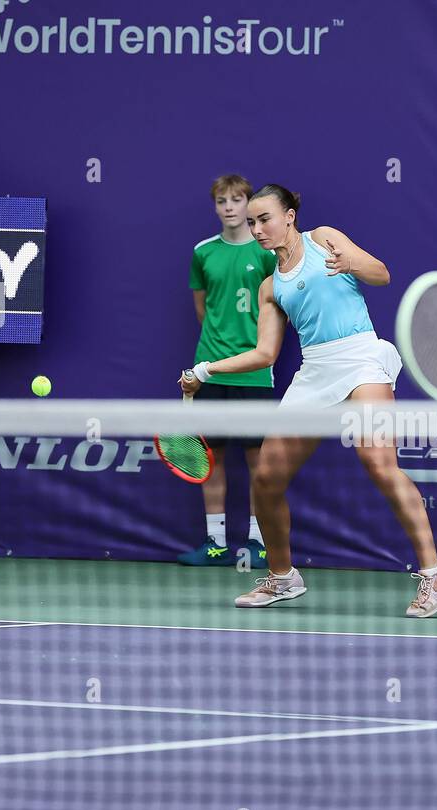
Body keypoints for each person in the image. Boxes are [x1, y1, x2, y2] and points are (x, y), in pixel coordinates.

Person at [182, 184, 437, 618]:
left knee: (378, 462)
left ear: (289, 216)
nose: (257, 229)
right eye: (252, 223)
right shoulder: (270, 286)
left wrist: (352, 263)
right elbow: (265, 354)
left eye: (265, 219)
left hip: (361, 358)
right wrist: (205, 370)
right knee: (267, 477)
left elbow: (382, 274)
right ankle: (282, 577)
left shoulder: (324, 239)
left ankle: (435, 571)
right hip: (314, 372)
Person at [178, 174, 280, 569]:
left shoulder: (266, 253)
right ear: (215, 207)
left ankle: (258, 542)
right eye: (222, 201)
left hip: (254, 374)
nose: (229, 207)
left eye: (237, 200)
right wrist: (211, 360)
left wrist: (252, 349)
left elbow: (279, 309)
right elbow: (202, 309)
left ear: (248, 204)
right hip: (209, 372)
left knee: (259, 464)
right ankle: (216, 543)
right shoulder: (203, 252)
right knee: (212, 459)